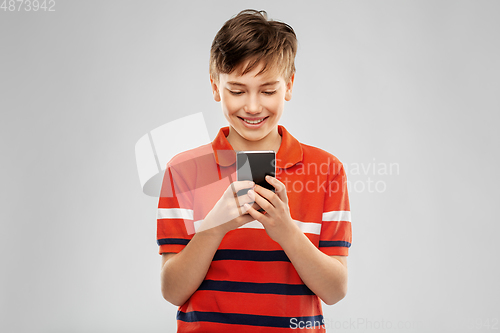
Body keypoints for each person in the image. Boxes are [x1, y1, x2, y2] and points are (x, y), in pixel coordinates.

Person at [157, 9, 352, 332]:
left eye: (268, 90)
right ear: (216, 87)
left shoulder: (327, 170)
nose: (251, 106)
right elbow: (173, 291)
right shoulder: (183, 171)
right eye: (237, 90)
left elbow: (335, 290)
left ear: (288, 86)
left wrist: (287, 233)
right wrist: (213, 228)